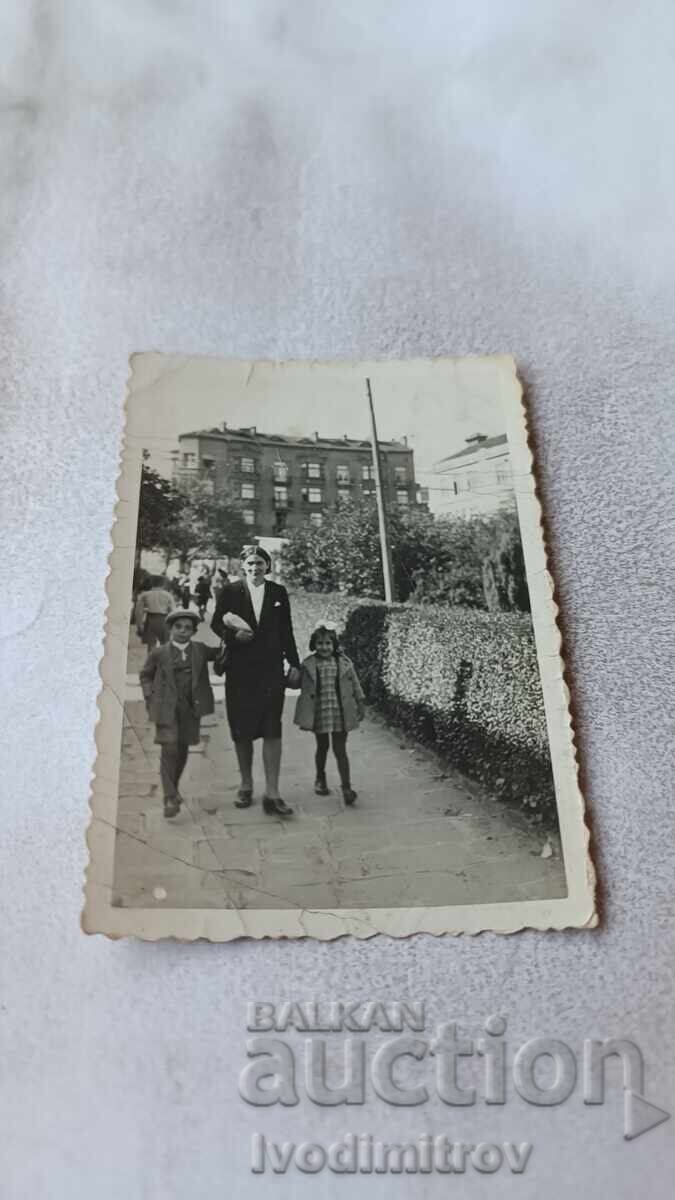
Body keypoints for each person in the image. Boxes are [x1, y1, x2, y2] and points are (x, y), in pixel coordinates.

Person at [211, 544, 300, 817]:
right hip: (240, 669)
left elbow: (286, 629)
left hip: (271, 670)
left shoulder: (278, 592)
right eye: (250, 563)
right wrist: (232, 636)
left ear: (267, 566)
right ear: (243, 566)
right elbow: (216, 623)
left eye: (259, 563)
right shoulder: (230, 591)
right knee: (242, 728)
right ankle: (246, 785)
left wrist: (294, 663)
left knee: (272, 728)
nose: (254, 567)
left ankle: (272, 793)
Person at [140, 609, 218, 819]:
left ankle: (173, 790)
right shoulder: (159, 653)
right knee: (169, 747)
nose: (183, 631)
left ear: (194, 631)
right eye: (178, 627)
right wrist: (150, 696)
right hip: (166, 707)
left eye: (188, 628)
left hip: (190, 708)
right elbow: (146, 675)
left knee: (182, 748)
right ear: (170, 629)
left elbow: (222, 654)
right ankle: (169, 797)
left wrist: (232, 635)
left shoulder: (200, 650)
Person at [294, 622, 365, 805]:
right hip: (319, 712)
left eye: (328, 643)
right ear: (314, 644)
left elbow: (355, 684)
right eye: (320, 643)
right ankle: (320, 778)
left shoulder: (344, 663)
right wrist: (291, 675)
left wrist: (360, 703)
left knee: (340, 749)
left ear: (334, 645)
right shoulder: (309, 664)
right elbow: (296, 683)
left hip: (340, 712)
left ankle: (346, 787)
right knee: (322, 746)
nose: (324, 647)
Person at [134, 576, 174, 650]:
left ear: (151, 583)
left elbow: (138, 612)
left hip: (150, 620)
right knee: (165, 644)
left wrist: (139, 625)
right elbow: (172, 612)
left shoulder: (145, 595)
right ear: (163, 584)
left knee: (151, 644)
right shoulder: (168, 595)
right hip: (164, 620)